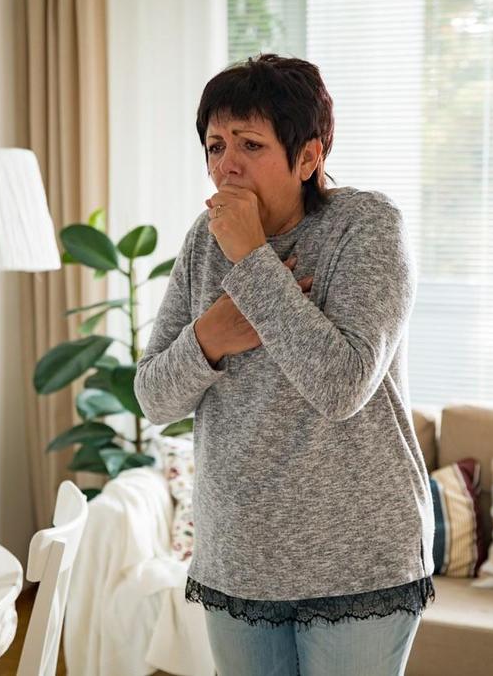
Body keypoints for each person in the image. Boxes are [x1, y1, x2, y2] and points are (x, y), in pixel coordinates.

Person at [133, 53, 435, 676]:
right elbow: (153, 398)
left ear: (308, 156)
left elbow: (343, 384)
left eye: (250, 143)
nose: (227, 165)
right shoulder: (201, 241)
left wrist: (250, 260)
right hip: (239, 555)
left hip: (360, 556)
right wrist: (210, 336)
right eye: (215, 145)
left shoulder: (368, 227)